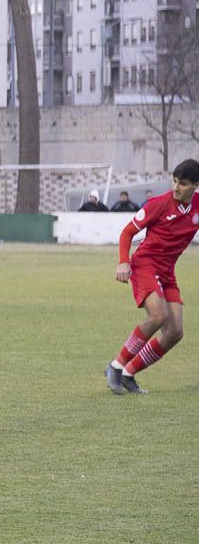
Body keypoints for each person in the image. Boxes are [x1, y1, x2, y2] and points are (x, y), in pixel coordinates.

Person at [105, 159, 199, 396]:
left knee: (175, 332)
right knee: (159, 316)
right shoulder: (158, 204)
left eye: (183, 183)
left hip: (167, 271)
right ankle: (115, 366)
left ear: (195, 186)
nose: (176, 187)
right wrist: (123, 261)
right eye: (175, 181)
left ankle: (129, 373)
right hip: (145, 264)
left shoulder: (197, 206)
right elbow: (128, 232)